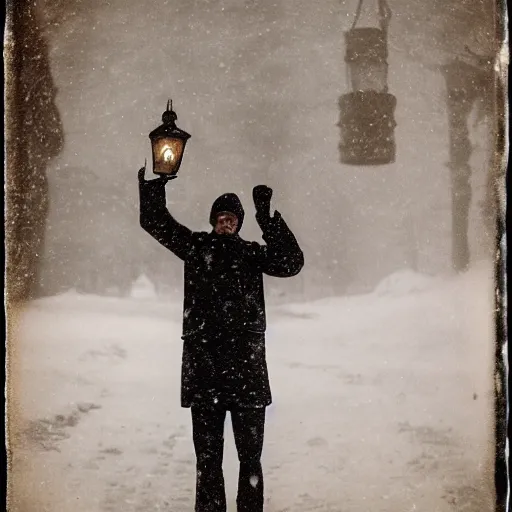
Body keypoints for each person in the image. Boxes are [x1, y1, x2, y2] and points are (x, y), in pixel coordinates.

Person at [138, 166, 304, 512]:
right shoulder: (197, 247)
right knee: (208, 462)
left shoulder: (251, 254)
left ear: (239, 223)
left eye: (232, 219)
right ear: (213, 221)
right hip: (206, 374)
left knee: (250, 461)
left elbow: (291, 262)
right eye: (221, 218)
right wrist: (156, 186)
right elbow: (156, 223)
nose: (226, 223)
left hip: (247, 375)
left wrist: (267, 218)